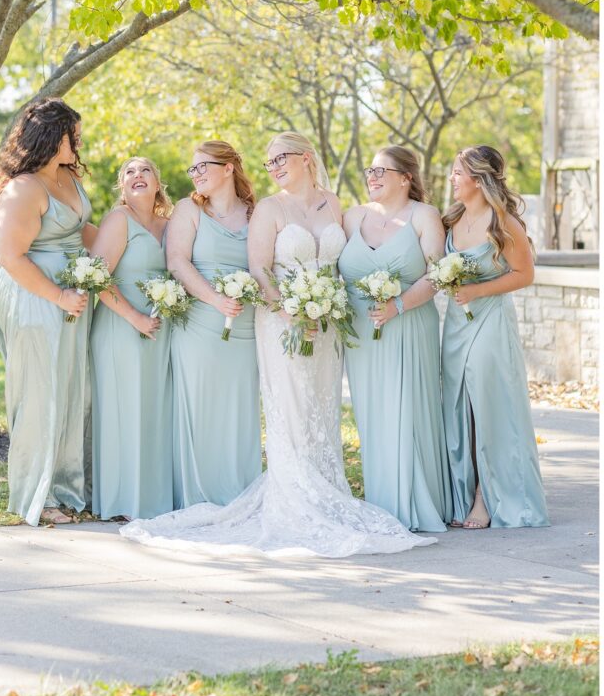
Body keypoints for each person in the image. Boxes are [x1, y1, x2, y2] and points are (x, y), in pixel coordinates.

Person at [121, 133, 435, 558]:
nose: (273, 168)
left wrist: (329, 305)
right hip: (281, 320)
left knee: (321, 410)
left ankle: (326, 490)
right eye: (268, 163)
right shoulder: (268, 208)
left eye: (280, 159)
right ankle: (295, 499)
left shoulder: (334, 202)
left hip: (327, 322)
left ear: (306, 158)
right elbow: (260, 269)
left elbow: (344, 262)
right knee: (290, 409)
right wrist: (290, 311)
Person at [0, 98, 94, 526]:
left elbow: (86, 232)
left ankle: (65, 487)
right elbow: (10, 256)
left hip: (70, 297)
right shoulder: (23, 189)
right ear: (54, 137)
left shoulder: (67, 176)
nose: (80, 142)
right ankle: (36, 493)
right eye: (75, 134)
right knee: (39, 394)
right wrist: (58, 296)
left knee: (71, 391)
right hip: (35, 298)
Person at [339, 146, 452, 532]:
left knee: (408, 410)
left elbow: (437, 274)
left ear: (405, 177)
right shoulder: (352, 216)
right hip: (361, 333)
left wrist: (398, 305)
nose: (372, 176)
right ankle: (382, 503)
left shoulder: (424, 216)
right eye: (369, 170)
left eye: (381, 171)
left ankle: (419, 502)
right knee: (373, 416)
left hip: (408, 326)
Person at [441, 145, 549, 529]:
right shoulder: (451, 219)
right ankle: (462, 491)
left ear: (478, 177)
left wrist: (477, 291)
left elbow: (525, 274)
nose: (452, 179)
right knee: (459, 407)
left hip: (490, 320)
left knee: (487, 405)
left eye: (457, 172)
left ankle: (487, 498)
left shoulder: (502, 223)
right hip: (456, 323)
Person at [161, 140, 261, 508]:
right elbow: (177, 261)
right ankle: (198, 496)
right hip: (200, 322)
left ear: (228, 168)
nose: (197, 174)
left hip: (247, 327)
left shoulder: (256, 212)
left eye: (203, 166)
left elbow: (266, 265)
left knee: (239, 411)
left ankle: (240, 494)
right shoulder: (189, 209)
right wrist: (215, 298)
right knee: (200, 409)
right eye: (194, 168)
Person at [90, 156, 173, 520]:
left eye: (145, 171)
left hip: (160, 331)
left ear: (157, 182)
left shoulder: (169, 225)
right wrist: (134, 317)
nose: (137, 176)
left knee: (154, 411)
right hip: (120, 327)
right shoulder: (118, 220)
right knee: (124, 412)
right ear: (121, 185)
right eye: (129, 172)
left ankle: (153, 499)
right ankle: (123, 501)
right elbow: (95, 277)